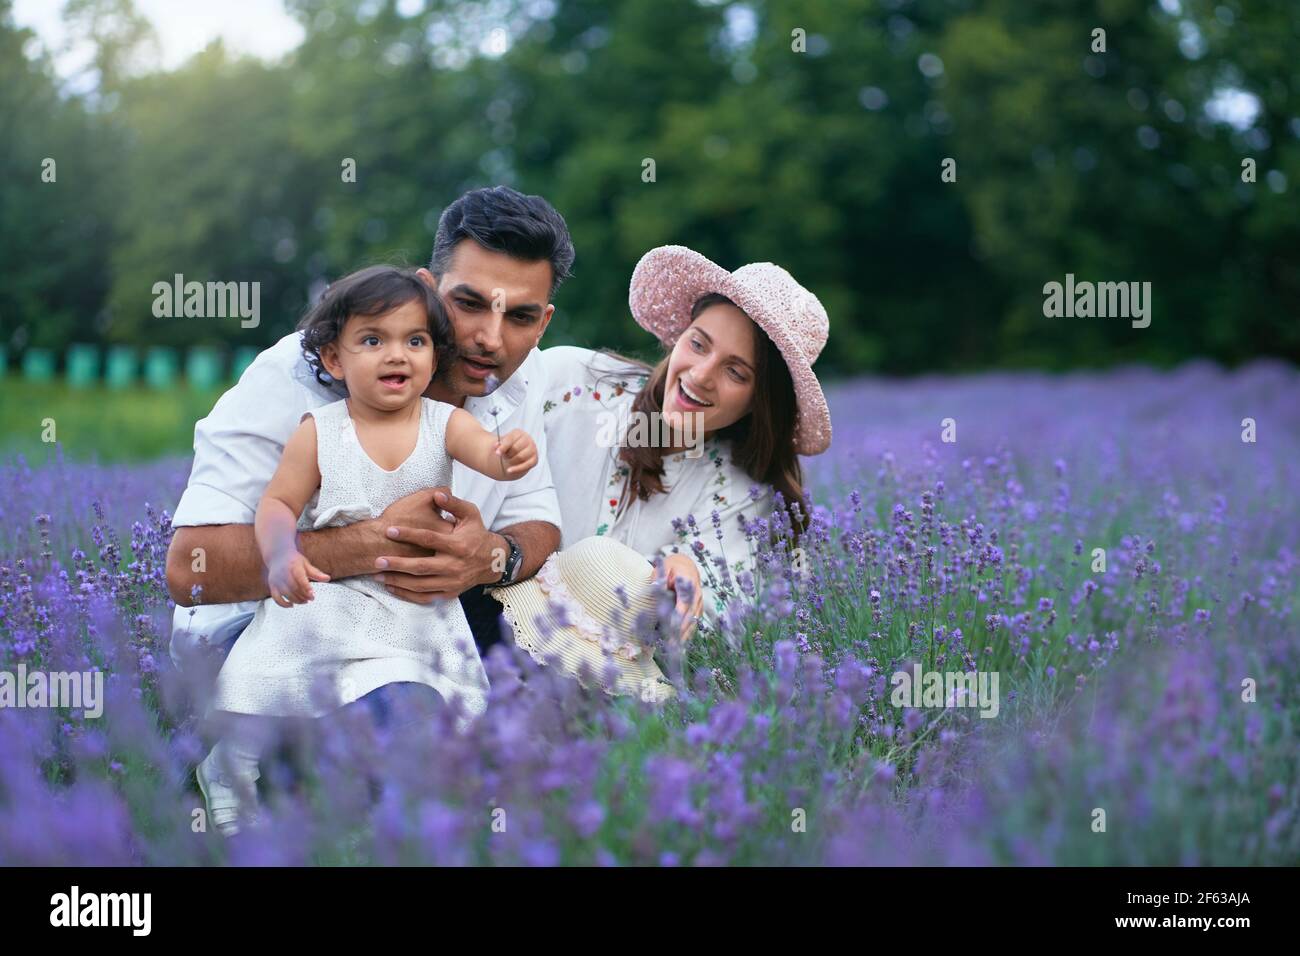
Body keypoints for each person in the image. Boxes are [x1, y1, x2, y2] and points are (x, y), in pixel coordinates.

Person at [166, 186, 574, 676]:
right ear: (427, 288)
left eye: (519, 317)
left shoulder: (514, 383)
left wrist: (492, 557)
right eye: (468, 304)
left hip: (413, 635)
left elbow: (539, 521)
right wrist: (375, 545)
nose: (490, 338)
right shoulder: (296, 372)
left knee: (574, 640)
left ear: (543, 324)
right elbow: (191, 565)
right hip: (262, 636)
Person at [197, 265, 538, 835]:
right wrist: (282, 556)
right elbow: (278, 504)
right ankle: (229, 776)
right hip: (326, 595)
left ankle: (430, 810)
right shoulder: (320, 430)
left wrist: (510, 454)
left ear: (434, 355)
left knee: (425, 698)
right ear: (334, 359)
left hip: (406, 606)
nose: (396, 355)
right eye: (373, 341)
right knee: (264, 688)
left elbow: (488, 455)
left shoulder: (444, 422)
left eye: (416, 341)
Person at [494, 244, 833, 694]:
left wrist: (675, 582)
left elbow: (708, 636)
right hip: (479, 622)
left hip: (598, 693)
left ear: (759, 400)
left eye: (736, 372)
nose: (701, 374)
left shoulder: (737, 496)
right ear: (680, 338)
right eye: (699, 344)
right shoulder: (571, 382)